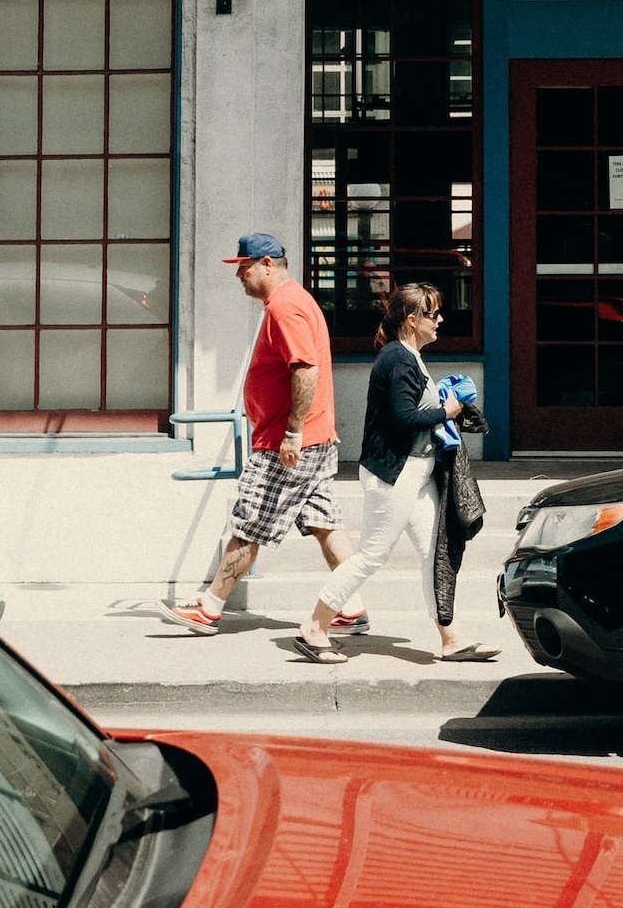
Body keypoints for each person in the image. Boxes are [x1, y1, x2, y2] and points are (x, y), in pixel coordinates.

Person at [160, 234, 368, 645]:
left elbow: (305, 370)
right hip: (314, 437)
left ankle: (209, 607)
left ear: (269, 264)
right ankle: (351, 605)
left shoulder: (286, 307)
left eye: (245, 265)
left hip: (286, 443)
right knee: (324, 522)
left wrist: (291, 432)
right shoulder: (295, 301)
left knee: (248, 520)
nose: (240, 274)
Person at [298, 282, 500, 664]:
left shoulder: (407, 355)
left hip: (416, 473)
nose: (440, 320)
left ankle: (451, 639)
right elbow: (404, 417)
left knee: (432, 553)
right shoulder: (398, 358)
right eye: (433, 313)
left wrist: (441, 402)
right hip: (394, 474)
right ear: (412, 319)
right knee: (373, 555)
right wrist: (448, 411)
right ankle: (315, 627)